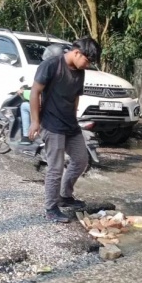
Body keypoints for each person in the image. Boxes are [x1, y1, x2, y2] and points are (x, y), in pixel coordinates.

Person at [27, 37, 101, 223]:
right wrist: (35, 121)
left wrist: (74, 116)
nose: (88, 65)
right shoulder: (52, 65)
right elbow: (35, 92)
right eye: (87, 60)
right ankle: (51, 208)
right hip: (52, 125)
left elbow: (76, 95)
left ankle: (65, 196)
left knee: (81, 160)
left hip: (70, 124)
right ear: (77, 53)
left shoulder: (80, 70)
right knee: (55, 168)